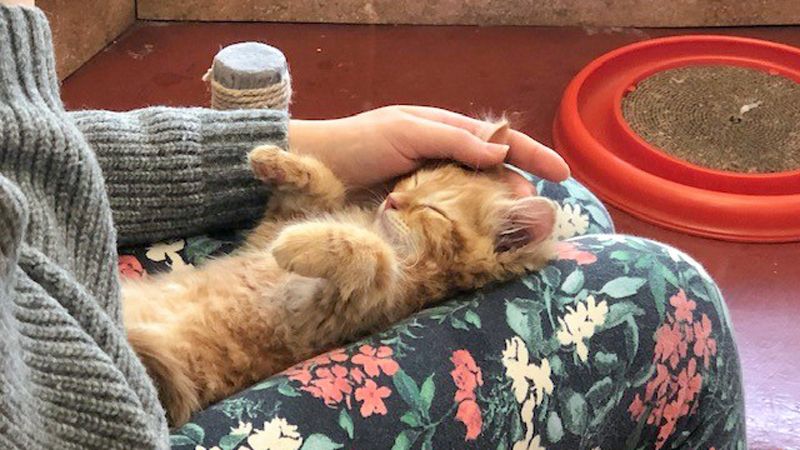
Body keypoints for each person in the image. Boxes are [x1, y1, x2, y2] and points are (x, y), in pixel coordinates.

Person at [0, 3, 745, 449]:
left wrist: (312, 154)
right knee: (667, 293)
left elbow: (276, 256)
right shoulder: (388, 268)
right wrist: (340, 229)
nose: (395, 199)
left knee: (570, 202)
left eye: (419, 194)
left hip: (72, 313)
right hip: (110, 389)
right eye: (413, 192)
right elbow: (349, 274)